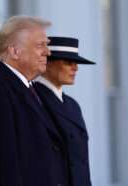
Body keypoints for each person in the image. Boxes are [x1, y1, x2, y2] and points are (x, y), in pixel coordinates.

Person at [0, 16, 69, 186]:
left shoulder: (29, 89)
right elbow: (4, 164)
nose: (48, 52)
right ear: (14, 51)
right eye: (40, 45)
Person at [34, 36, 95, 186]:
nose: (75, 68)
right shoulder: (34, 99)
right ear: (47, 63)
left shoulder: (73, 105)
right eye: (68, 62)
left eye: (76, 63)